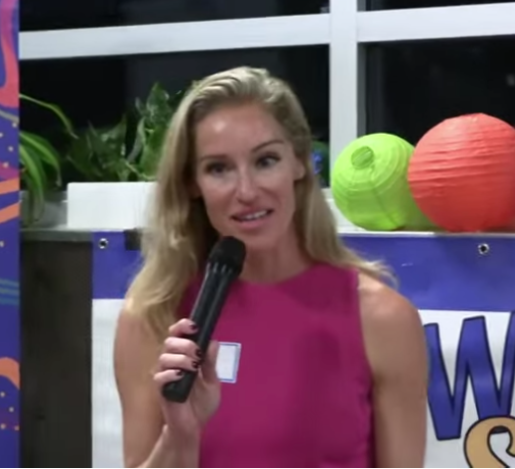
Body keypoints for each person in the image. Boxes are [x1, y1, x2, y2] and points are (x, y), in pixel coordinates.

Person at [113, 66, 428, 468]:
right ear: (192, 183)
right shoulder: (153, 316)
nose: (247, 191)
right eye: (219, 168)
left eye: (265, 161)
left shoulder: (383, 319)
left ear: (299, 162)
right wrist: (180, 435)